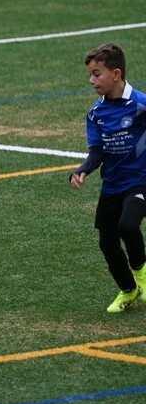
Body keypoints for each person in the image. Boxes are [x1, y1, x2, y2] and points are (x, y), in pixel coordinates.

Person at [70, 43, 146, 313]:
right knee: (107, 242)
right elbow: (97, 152)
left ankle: (142, 276)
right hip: (112, 184)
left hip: (140, 181)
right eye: (90, 74)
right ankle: (128, 290)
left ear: (116, 74)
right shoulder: (96, 113)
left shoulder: (141, 105)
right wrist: (82, 170)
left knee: (128, 225)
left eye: (96, 74)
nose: (92, 80)